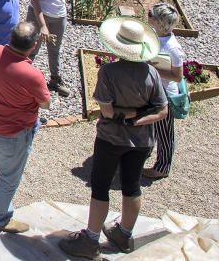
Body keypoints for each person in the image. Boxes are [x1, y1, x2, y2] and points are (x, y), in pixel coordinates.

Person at [59, 17, 169, 259]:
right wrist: (138, 118)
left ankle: (90, 240)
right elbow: (162, 110)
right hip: (141, 142)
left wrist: (126, 117)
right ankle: (124, 233)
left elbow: (108, 111)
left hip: (111, 138)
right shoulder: (151, 72)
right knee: (132, 186)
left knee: (100, 187)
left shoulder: (108, 72)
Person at [0, 21, 51, 233]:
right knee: (9, 176)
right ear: (33, 46)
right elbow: (45, 104)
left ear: (10, 38)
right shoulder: (33, 75)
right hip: (15, 132)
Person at [144, 3, 185, 180]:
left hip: (165, 94)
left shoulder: (172, 47)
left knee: (164, 131)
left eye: (150, 14)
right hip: (153, 90)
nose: (147, 15)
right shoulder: (156, 37)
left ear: (158, 21)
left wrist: (151, 68)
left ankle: (162, 167)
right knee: (152, 127)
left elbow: (177, 76)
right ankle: (146, 154)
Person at [28, 0, 70, 97]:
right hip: (41, 15)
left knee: (55, 49)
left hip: (59, 16)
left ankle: (55, 79)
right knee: (32, 48)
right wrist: (43, 26)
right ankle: (23, 79)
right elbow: (35, 1)